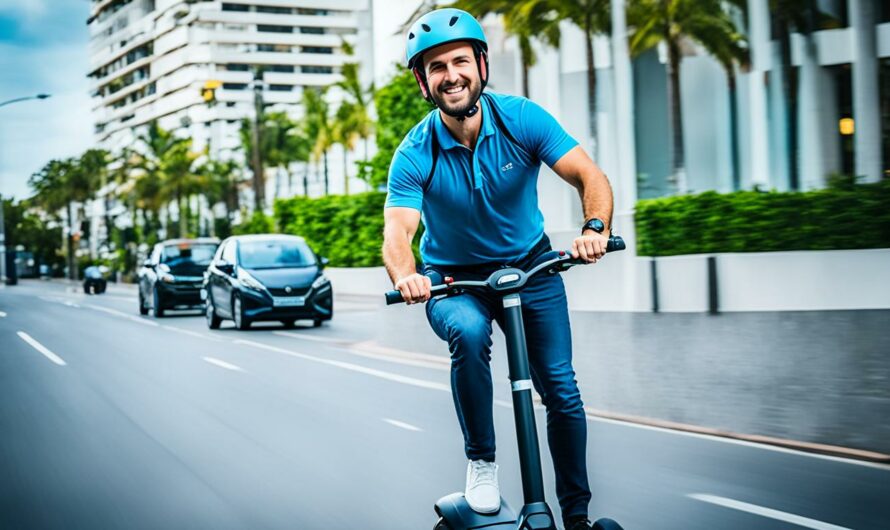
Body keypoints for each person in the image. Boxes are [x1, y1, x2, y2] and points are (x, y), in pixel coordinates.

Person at [382, 8, 614, 530]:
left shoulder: (521, 118)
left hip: (531, 269)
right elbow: (397, 231)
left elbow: (588, 175)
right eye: (436, 67)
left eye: (460, 60)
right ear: (423, 82)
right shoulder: (414, 152)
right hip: (453, 281)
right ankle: (482, 461)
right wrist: (406, 276)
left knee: (560, 387)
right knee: (465, 331)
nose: (451, 75)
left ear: (481, 64)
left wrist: (594, 229)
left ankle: (576, 516)